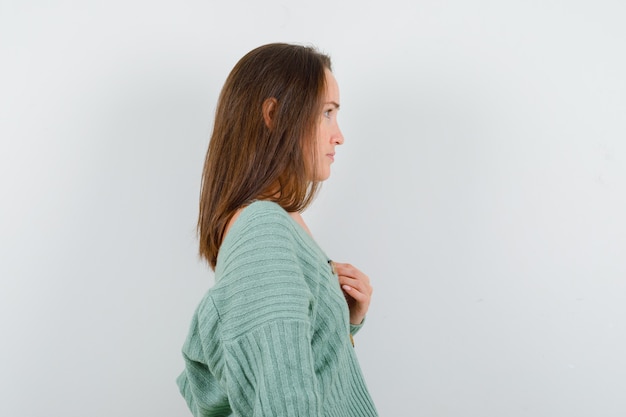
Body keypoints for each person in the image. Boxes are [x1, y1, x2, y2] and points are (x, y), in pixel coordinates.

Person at [177, 43, 378, 417]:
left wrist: (341, 321)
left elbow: (299, 374)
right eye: (327, 114)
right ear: (273, 114)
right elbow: (285, 406)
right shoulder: (262, 233)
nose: (339, 136)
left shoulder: (274, 222)